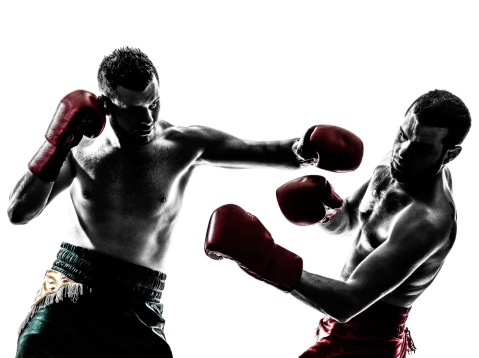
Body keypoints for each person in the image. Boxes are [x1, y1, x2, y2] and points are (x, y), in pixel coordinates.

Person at [7, 47, 363, 357]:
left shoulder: (182, 145)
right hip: (72, 290)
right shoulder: (80, 148)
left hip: (139, 300)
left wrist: (308, 148)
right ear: (106, 106)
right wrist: (54, 145)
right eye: (133, 109)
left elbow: (264, 150)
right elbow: (18, 212)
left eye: (154, 102)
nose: (148, 118)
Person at [204, 89, 471, 357]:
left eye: (422, 148)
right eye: (403, 135)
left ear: (450, 154)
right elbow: (351, 219)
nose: (403, 151)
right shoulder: (396, 162)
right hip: (339, 322)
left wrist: (263, 258)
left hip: (367, 342)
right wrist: (323, 210)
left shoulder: (428, 221)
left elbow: (348, 303)